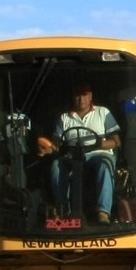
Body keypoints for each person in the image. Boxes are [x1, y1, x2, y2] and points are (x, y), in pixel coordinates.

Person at [36, 84, 120, 223]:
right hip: (72, 155)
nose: (81, 99)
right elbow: (57, 146)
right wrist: (47, 149)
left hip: (98, 153)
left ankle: (103, 213)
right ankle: (63, 210)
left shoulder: (103, 112)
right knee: (57, 165)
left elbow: (116, 142)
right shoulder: (64, 118)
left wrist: (100, 144)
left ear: (90, 96)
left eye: (84, 94)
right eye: (77, 95)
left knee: (105, 164)